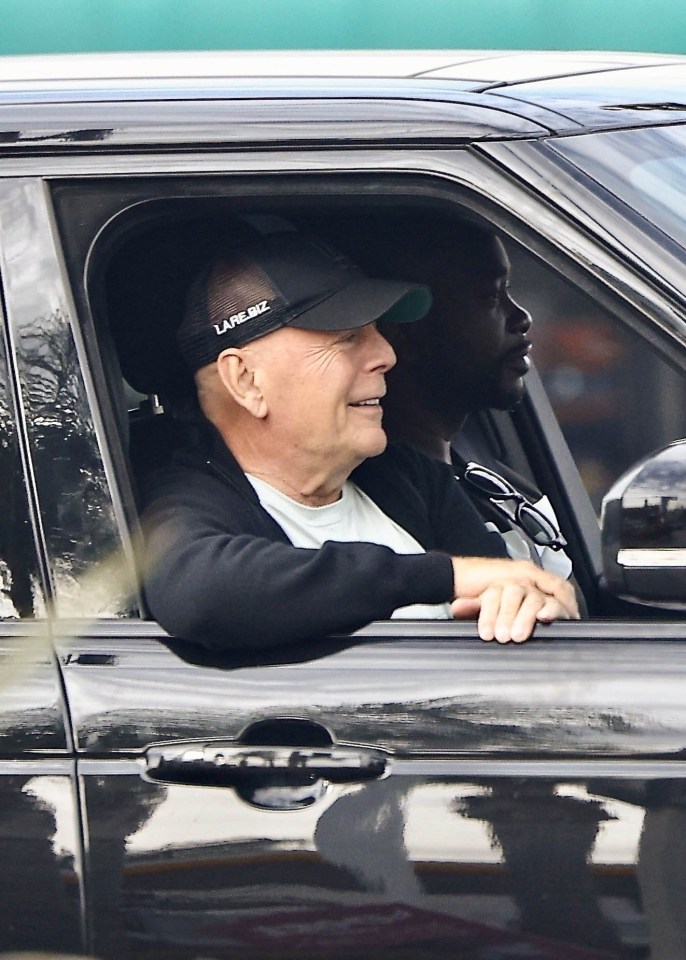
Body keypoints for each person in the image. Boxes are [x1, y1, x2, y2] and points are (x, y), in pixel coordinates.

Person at [140, 223, 578, 651]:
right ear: (247, 380)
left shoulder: (412, 481)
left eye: (377, 332)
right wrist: (444, 577)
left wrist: (531, 603)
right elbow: (202, 595)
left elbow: (509, 591)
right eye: (347, 337)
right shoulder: (188, 498)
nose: (386, 355)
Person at [317, 213, 573, 578]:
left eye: (507, 291)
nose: (521, 318)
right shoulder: (386, 517)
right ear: (405, 334)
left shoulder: (491, 479)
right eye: (490, 297)